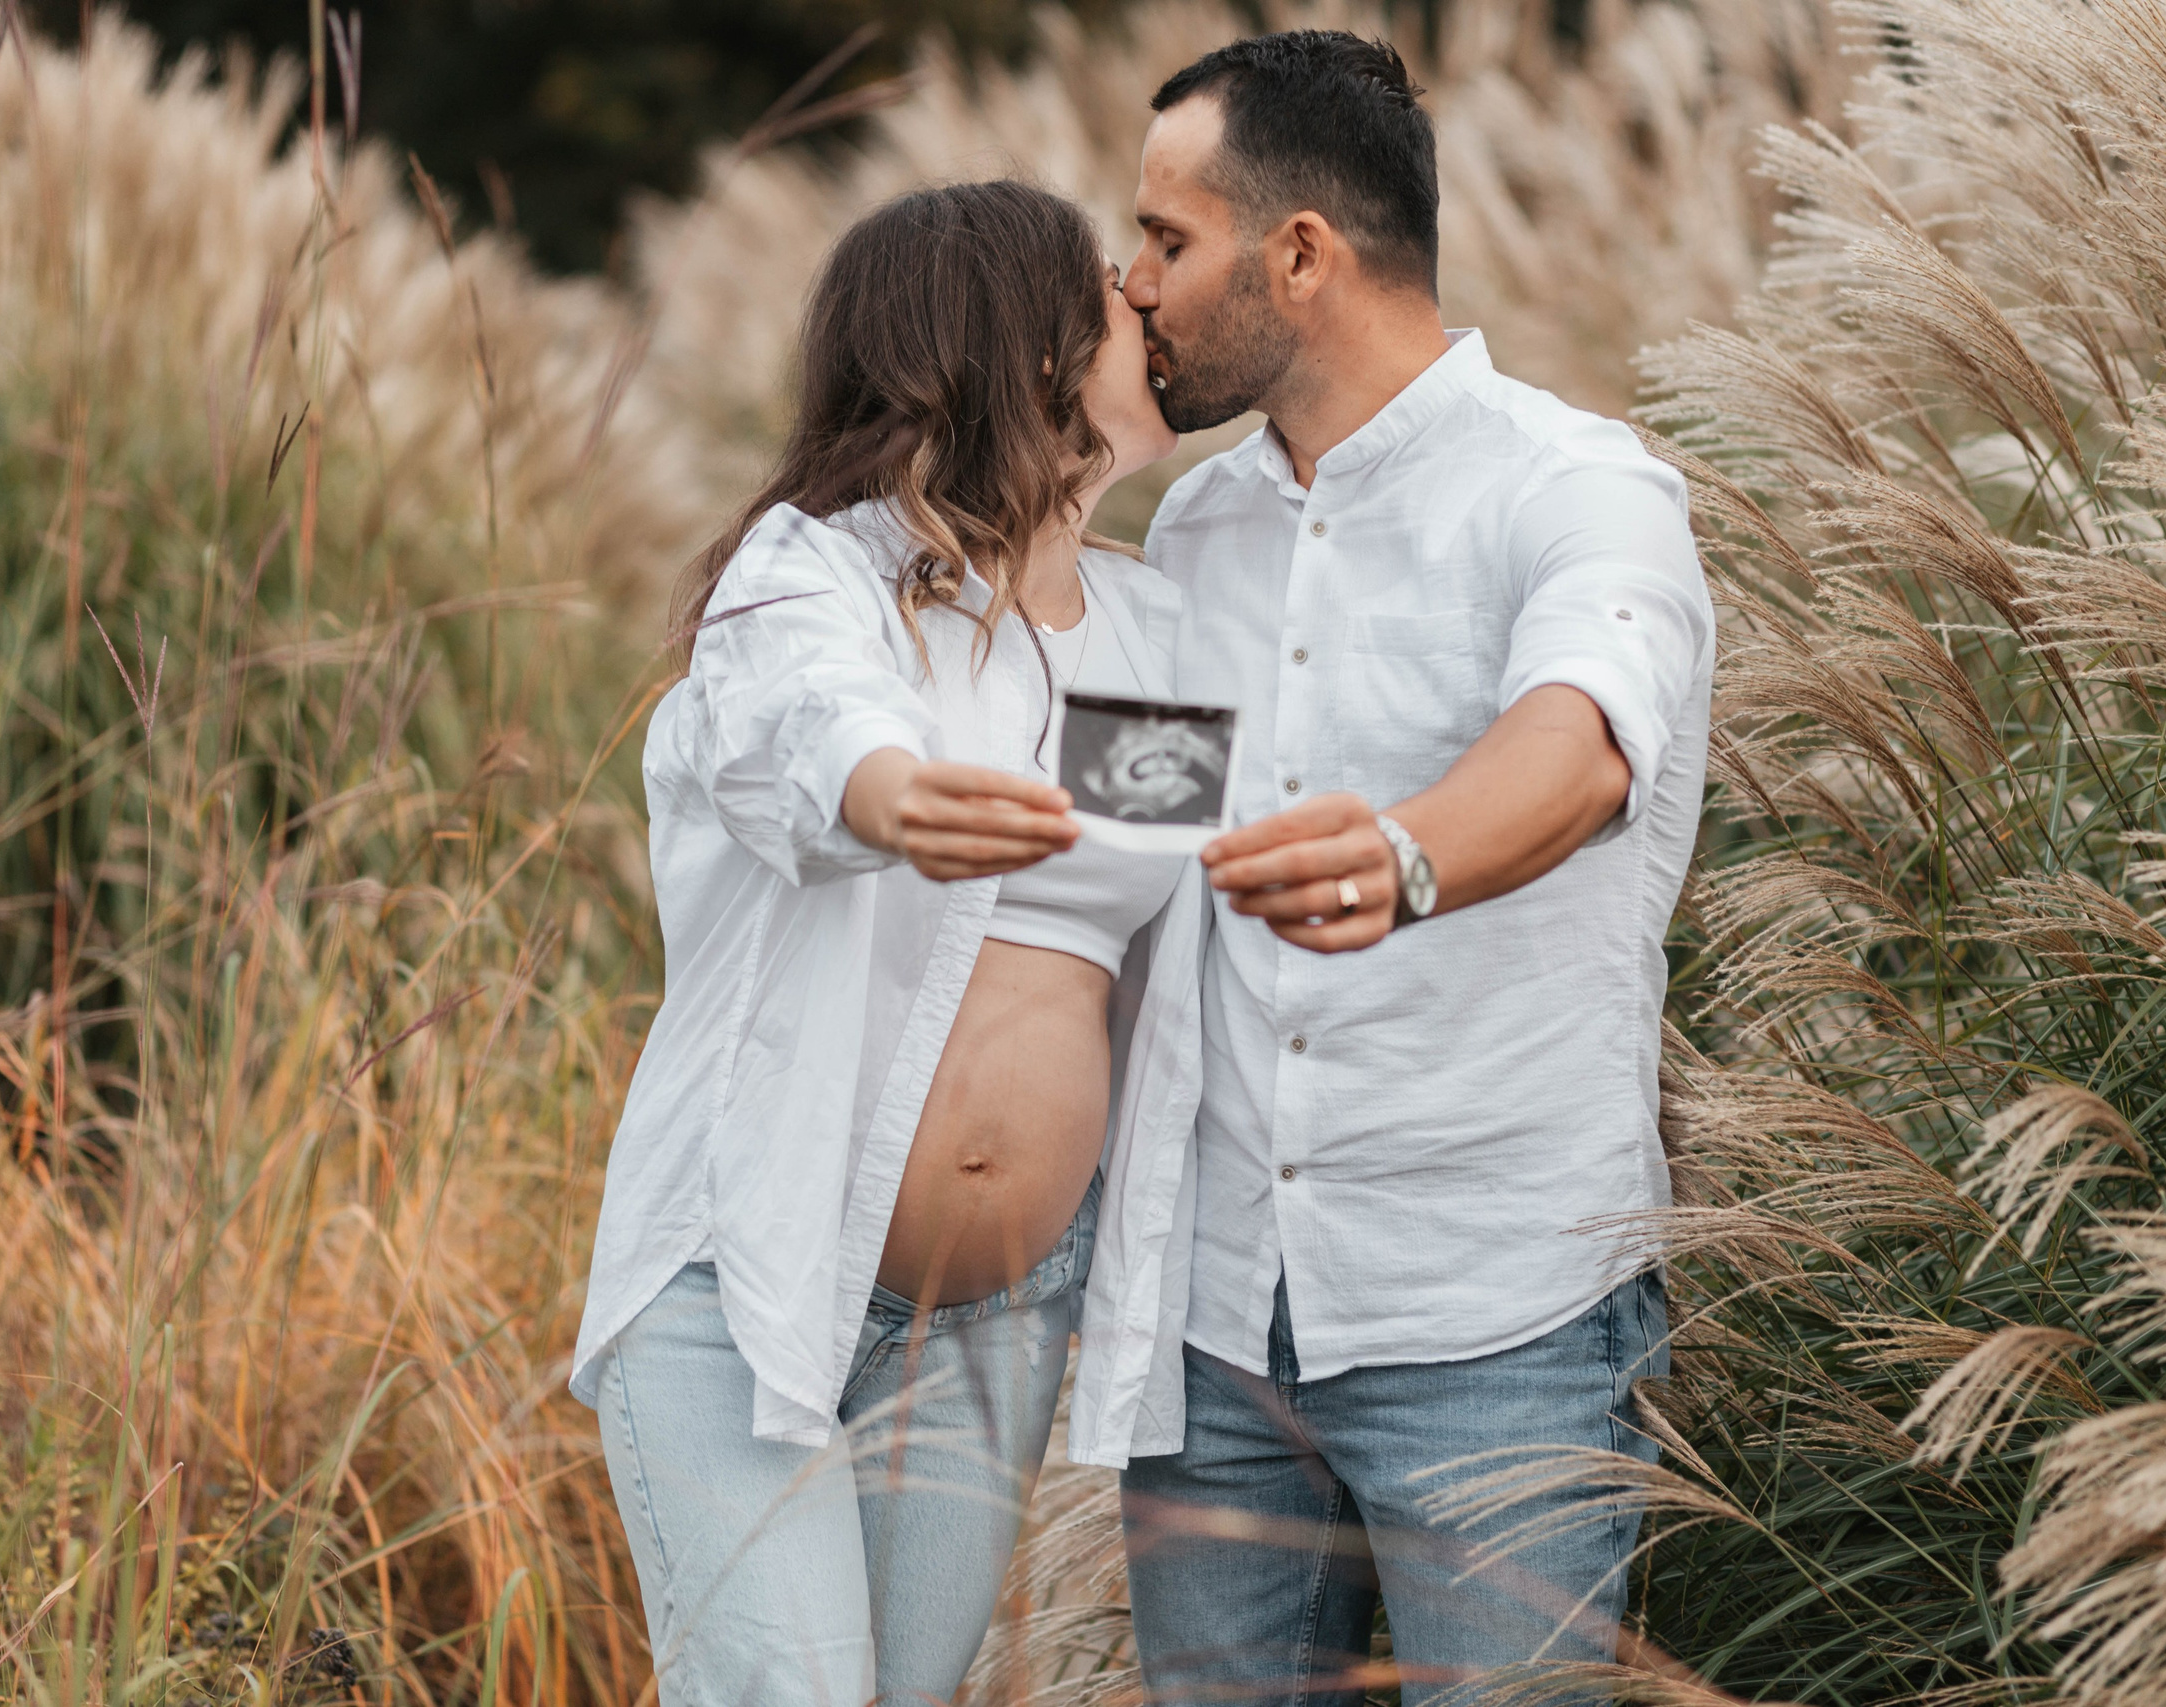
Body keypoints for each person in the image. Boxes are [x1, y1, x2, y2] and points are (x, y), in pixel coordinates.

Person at [1115, 31, 1714, 1707]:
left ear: (1299, 254)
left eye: (1166, 242)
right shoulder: (1191, 529)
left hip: (1495, 1322)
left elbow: (1586, 737)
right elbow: (1126, 832)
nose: (1131, 283)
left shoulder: (1581, 486)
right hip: (1217, 1321)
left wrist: (1407, 854)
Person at [568, 180, 1211, 1707]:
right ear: (1026, 352)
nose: (1148, 299)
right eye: (1116, 297)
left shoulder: (1153, 639)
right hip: (751, 1283)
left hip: (988, 1326)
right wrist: (902, 798)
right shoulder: (820, 576)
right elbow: (804, 732)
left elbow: (1163, 904)